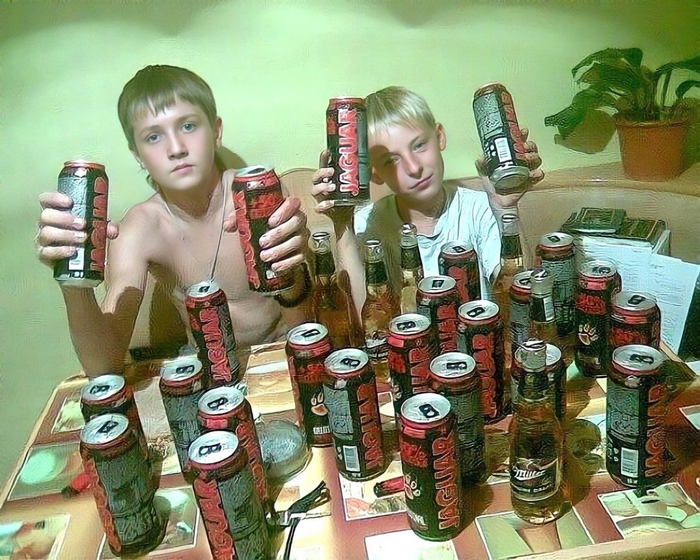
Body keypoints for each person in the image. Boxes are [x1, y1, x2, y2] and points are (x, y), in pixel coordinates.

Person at [36, 65, 310, 376]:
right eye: (153, 136)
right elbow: (104, 367)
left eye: (188, 126)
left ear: (216, 131)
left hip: (279, 355)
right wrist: (71, 281)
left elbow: (301, 323)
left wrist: (293, 271)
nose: (176, 149)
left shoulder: (258, 196)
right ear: (137, 154)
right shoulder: (141, 228)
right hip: (208, 371)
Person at [311, 86, 544, 313]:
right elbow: (365, 322)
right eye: (391, 160)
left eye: (419, 145)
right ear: (374, 173)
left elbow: (521, 304)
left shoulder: (481, 209)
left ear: (439, 137)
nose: (414, 168)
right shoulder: (367, 224)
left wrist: (506, 210)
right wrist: (343, 224)